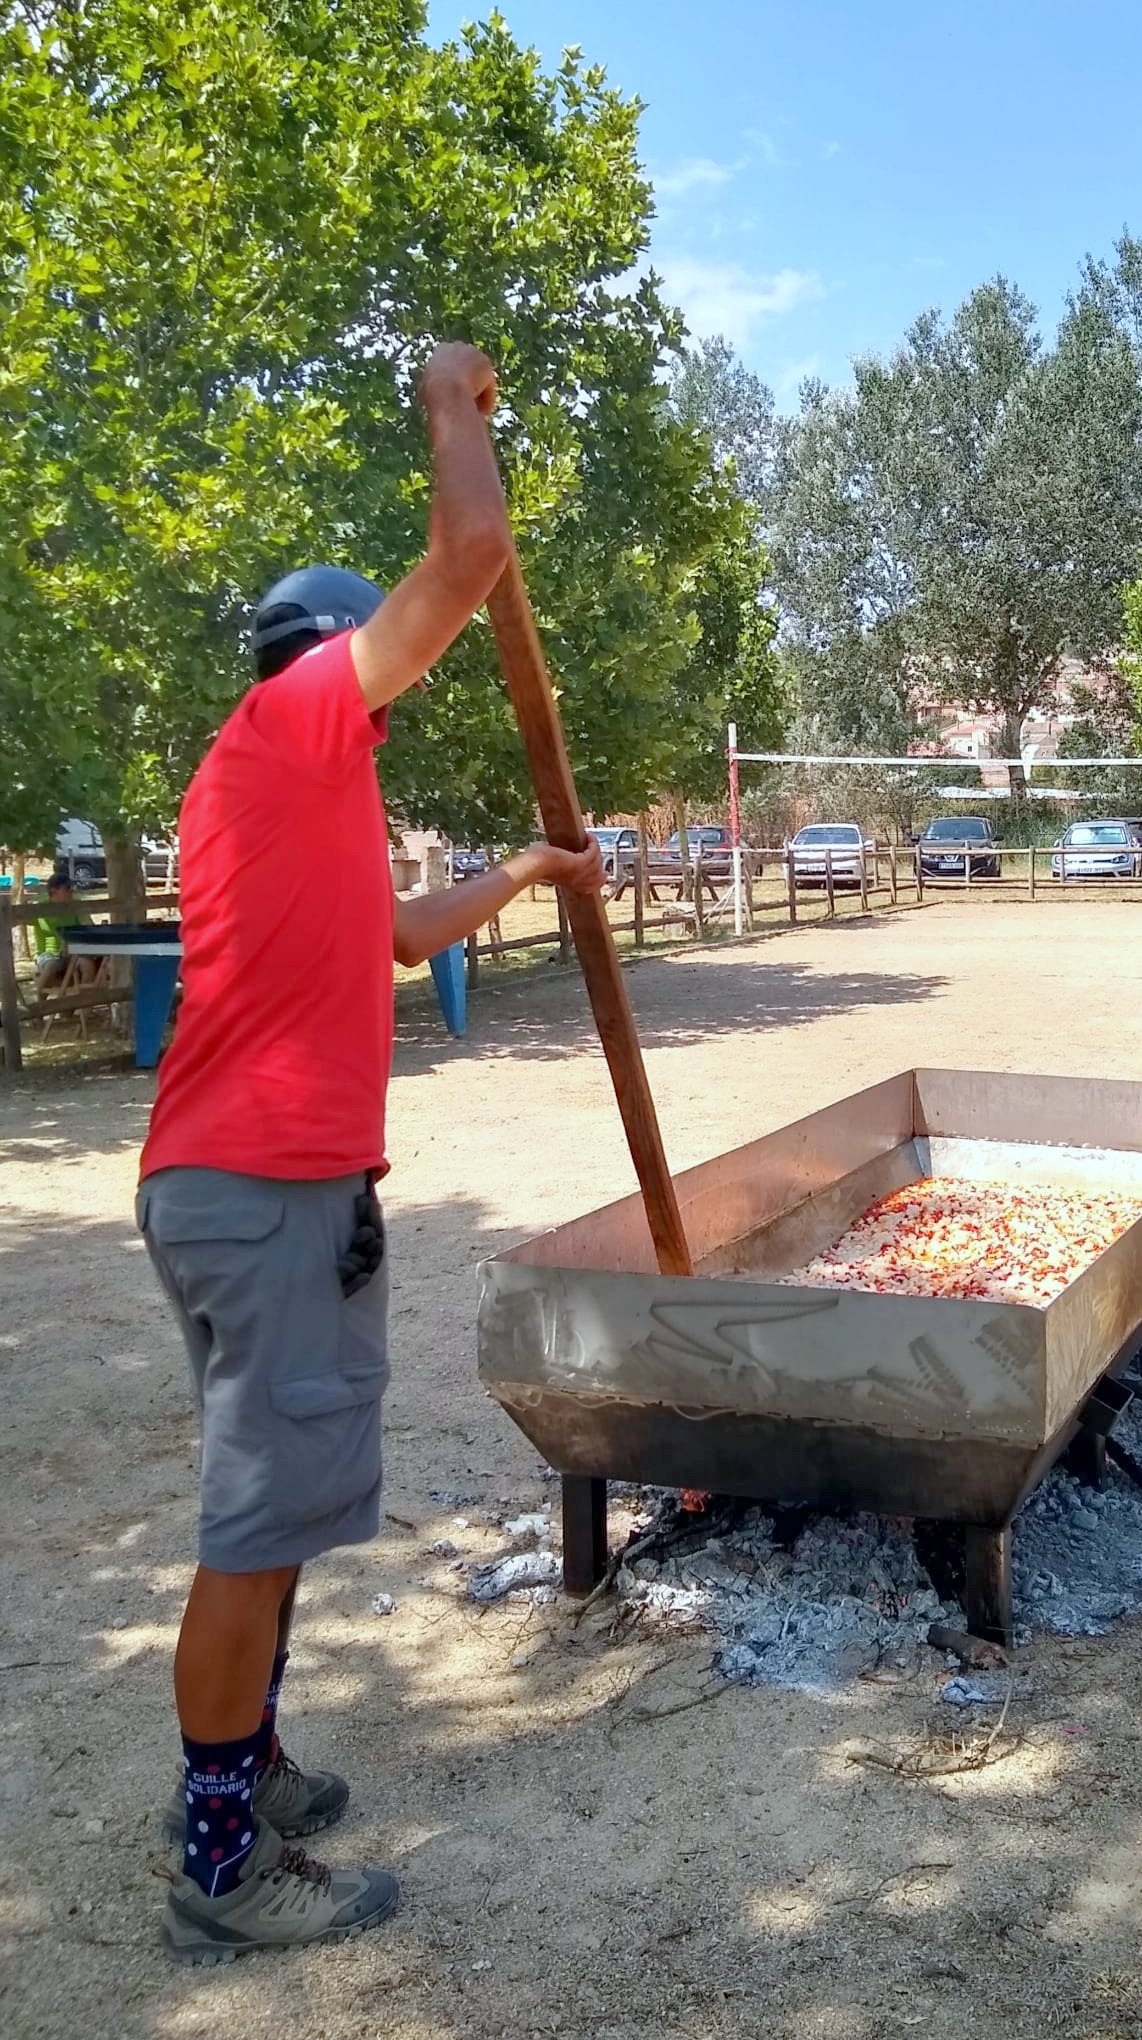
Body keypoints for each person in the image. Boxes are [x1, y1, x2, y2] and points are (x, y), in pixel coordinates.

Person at [137, 341, 605, 1965]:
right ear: (329, 665)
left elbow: (403, 936)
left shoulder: (288, 788)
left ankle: (248, 1770)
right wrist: (446, 403)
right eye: (382, 688)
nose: (392, 716)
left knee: (286, 1506)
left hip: (268, 1183)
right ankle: (215, 1852)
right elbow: (468, 562)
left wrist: (530, 872)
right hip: (260, 1184)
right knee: (254, 1525)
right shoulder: (285, 728)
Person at [32, 872, 77, 994]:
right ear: (54, 890)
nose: (71, 891)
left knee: (87, 967)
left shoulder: (75, 905)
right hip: (48, 953)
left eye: (72, 888)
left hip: (72, 952)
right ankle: (38, 1007)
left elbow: (88, 926)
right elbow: (16, 919)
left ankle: (72, 1011)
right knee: (52, 965)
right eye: (67, 888)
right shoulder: (41, 908)